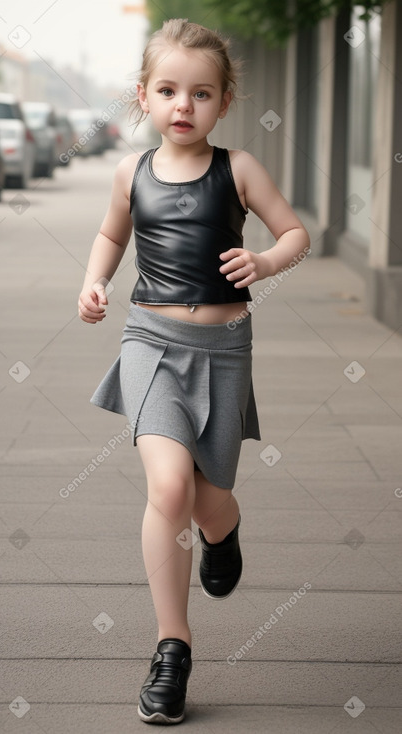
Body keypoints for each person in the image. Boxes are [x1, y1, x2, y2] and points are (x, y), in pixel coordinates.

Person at [78, 18, 310, 725]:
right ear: (143, 97)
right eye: (169, 91)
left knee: (207, 501)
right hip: (149, 340)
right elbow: (112, 233)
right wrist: (95, 282)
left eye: (200, 93)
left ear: (223, 101)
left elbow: (293, 232)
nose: (184, 105)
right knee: (169, 488)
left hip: (222, 351)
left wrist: (266, 261)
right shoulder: (130, 172)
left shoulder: (237, 170)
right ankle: (171, 648)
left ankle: (224, 529)